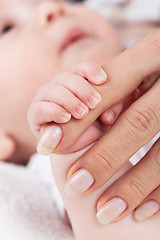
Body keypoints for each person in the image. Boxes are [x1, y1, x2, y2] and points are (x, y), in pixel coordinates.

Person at [0, 0, 159, 239]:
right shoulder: (50, 163)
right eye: (7, 28)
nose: (51, 8)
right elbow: (115, 228)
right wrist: (75, 142)